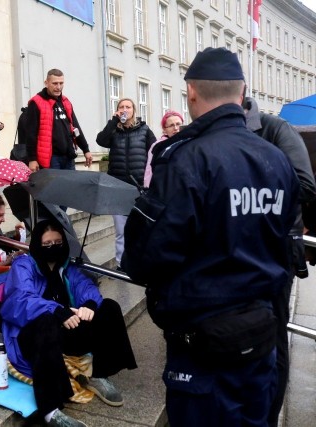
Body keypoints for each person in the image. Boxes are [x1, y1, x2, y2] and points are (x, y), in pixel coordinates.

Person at [122, 47, 300, 427]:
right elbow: (286, 239)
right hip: (260, 337)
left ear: (190, 93)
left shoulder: (187, 160)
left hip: (203, 347)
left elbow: (144, 257)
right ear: (242, 92)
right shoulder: (275, 159)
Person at [1, 219, 137, 427]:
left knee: (108, 307)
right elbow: (21, 299)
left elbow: (85, 286)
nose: (53, 248)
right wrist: (56, 310)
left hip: (66, 329)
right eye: (46, 244)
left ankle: (97, 374)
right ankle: (50, 411)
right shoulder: (24, 265)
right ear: (37, 244)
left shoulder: (67, 266)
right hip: (33, 334)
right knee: (46, 322)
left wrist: (89, 304)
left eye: (57, 242)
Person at [243, 95, 316, 427]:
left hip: (274, 250)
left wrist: (246, 189)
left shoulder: (276, 129)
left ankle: (268, 416)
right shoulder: (216, 134)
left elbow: (304, 185)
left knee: (273, 335)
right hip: (236, 251)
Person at [95, 98, 156, 271]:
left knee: (140, 228)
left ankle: (140, 260)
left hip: (138, 188)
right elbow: (101, 141)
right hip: (117, 186)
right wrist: (113, 121)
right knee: (121, 229)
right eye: (121, 107)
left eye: (128, 107)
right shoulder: (113, 131)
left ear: (134, 111)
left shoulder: (144, 130)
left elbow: (154, 151)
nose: (124, 109)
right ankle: (121, 263)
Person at [24, 69, 93, 172]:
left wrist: (86, 149)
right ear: (46, 83)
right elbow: (30, 134)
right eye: (55, 83)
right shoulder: (37, 102)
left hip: (68, 157)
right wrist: (32, 159)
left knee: (70, 188)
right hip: (51, 159)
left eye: (61, 83)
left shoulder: (66, 102)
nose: (59, 87)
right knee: (54, 188)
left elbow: (75, 127)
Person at [143, 110, 183, 188]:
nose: (175, 128)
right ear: (164, 129)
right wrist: (147, 188)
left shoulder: (189, 142)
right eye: (171, 125)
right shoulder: (157, 146)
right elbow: (149, 170)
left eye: (178, 124)